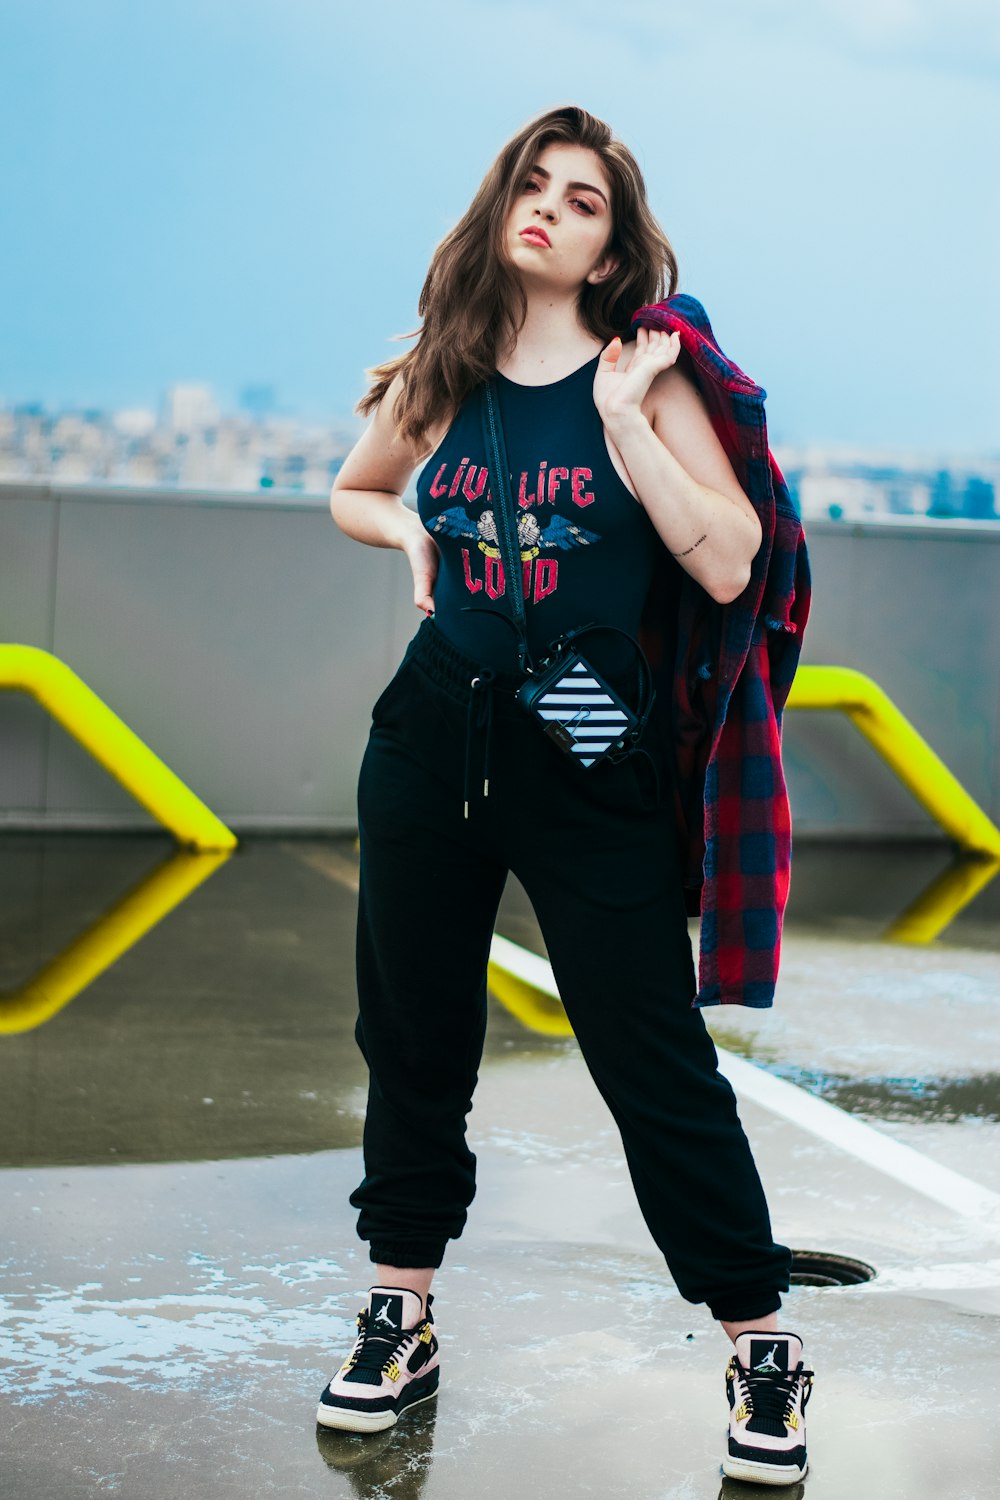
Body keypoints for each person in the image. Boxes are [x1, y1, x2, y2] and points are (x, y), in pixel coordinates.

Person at [316, 104, 815, 1487]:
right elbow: (354, 490)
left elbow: (727, 563)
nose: (548, 207)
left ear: (610, 246)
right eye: (531, 185)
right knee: (411, 1037)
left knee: (653, 1063)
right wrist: (411, 530)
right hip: (428, 738)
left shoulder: (647, 375)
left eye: (581, 198)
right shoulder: (450, 366)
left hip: (593, 752)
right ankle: (399, 1314)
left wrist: (619, 420)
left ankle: (760, 1344)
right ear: (500, 206)